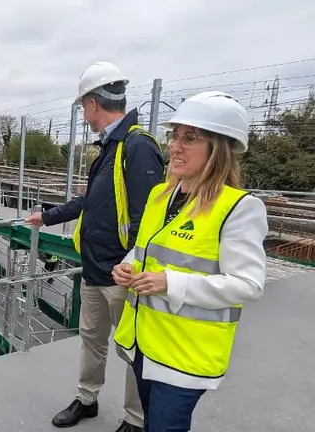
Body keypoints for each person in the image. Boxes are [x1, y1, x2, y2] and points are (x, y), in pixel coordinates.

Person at [112, 91, 267, 431]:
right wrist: (127, 264)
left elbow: (249, 284)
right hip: (145, 343)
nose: (175, 147)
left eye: (190, 138)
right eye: (174, 135)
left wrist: (171, 283)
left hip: (185, 356)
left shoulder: (238, 208)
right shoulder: (161, 195)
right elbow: (146, 249)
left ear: (218, 149)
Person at [25, 61, 165, 431]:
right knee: (91, 340)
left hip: (121, 274)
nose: (84, 116)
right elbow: (92, 201)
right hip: (94, 269)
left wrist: (130, 263)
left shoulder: (137, 146)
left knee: (132, 348)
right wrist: (47, 216)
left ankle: (136, 419)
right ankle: (87, 399)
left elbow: (148, 219)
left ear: (92, 104)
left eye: (83, 108)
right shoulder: (109, 148)